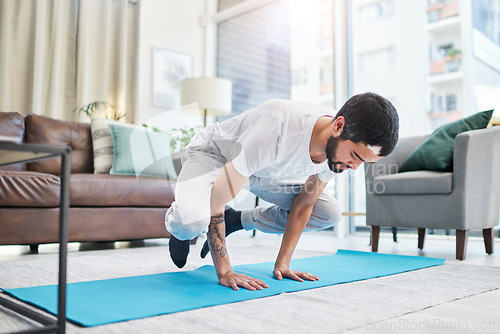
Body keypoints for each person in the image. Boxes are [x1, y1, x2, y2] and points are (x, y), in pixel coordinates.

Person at [165, 92, 399, 291]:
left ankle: (236, 219)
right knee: (192, 223)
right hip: (215, 154)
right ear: (338, 126)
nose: (354, 168)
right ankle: (179, 223)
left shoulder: (335, 152)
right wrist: (225, 271)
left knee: (328, 212)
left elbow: (305, 204)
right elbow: (217, 198)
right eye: (355, 157)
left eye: (363, 163)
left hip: (266, 170)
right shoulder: (278, 124)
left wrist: (283, 263)